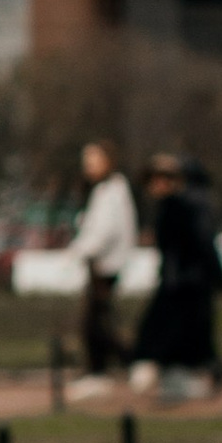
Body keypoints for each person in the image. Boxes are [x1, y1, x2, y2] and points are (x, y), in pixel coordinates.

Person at [129, 154, 221, 402]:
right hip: (178, 281)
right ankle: (175, 376)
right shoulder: (169, 208)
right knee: (165, 332)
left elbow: (197, 244)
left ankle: (180, 378)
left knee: (177, 333)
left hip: (184, 283)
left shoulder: (181, 208)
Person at [66, 138, 136, 397]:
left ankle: (112, 367)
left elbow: (104, 231)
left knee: (95, 322)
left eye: (93, 160)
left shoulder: (112, 190)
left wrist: (81, 250)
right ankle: (115, 366)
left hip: (106, 266)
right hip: (100, 265)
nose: (88, 165)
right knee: (99, 321)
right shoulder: (100, 190)